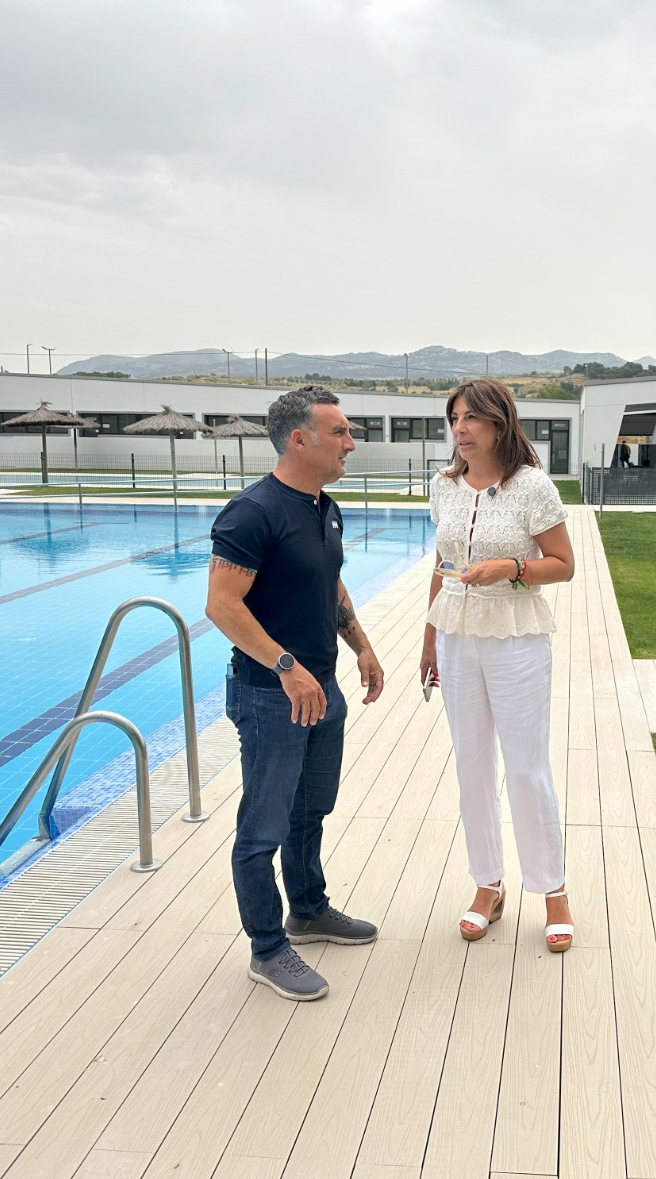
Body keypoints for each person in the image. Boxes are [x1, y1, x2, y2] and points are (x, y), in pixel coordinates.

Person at [206, 385, 385, 1001]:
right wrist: (285, 666)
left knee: (312, 809)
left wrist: (361, 645)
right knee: (263, 828)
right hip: (269, 695)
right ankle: (267, 949)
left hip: (321, 688)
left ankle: (307, 910)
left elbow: (330, 584)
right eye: (340, 432)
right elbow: (222, 605)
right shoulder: (252, 512)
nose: (351, 443)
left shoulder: (324, 508)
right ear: (299, 439)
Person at [419, 379, 576, 952]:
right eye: (454, 418)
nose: (459, 429)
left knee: (526, 766)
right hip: (456, 636)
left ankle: (553, 890)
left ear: (499, 423)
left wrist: (510, 567)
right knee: (471, 766)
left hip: (515, 638)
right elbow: (441, 564)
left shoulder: (531, 486)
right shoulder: (444, 486)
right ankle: (488, 885)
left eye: (471, 418)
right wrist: (429, 639)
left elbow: (563, 564)